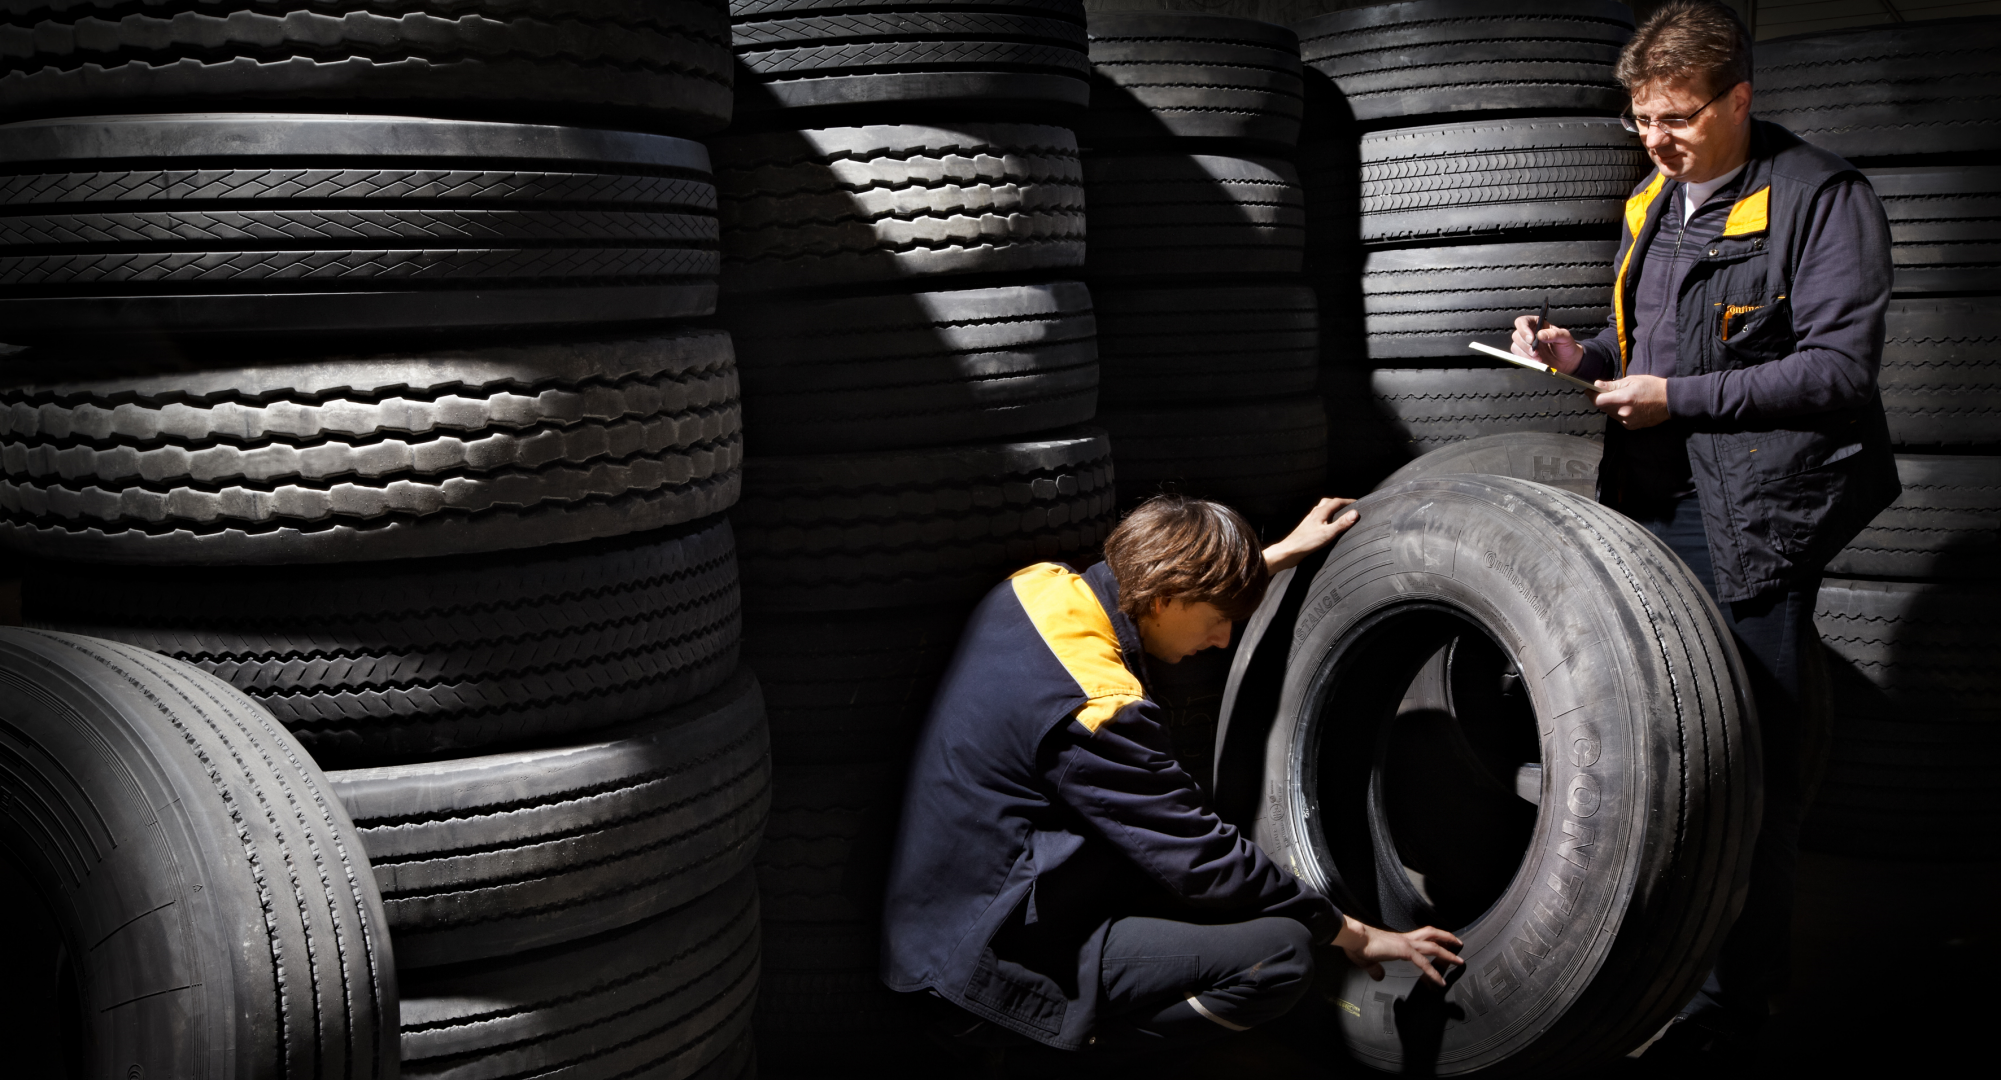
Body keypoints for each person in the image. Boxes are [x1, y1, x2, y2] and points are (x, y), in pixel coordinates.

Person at [1509, 1, 1900, 1064]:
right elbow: (1646, 347)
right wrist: (1575, 357)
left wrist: (1675, 398)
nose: (1659, 139)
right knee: (1659, 746)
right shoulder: (1653, 202)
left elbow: (1837, 372)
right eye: (1643, 118)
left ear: (1740, 99)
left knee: (1749, 763)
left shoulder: (1822, 199)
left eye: (1679, 117)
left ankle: (1736, 1004)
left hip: (1756, 517)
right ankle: (1657, 953)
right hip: (1648, 503)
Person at [880, 495, 1464, 1056]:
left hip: (950, 909)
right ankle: (1047, 1037)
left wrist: (1275, 557)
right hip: (981, 962)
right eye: (1217, 618)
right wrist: (1351, 932)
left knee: (1222, 894)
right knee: (1282, 953)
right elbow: (1204, 857)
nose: (1222, 639)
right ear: (1164, 599)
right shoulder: (1099, 710)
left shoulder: (1036, 588)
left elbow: (1167, 587)